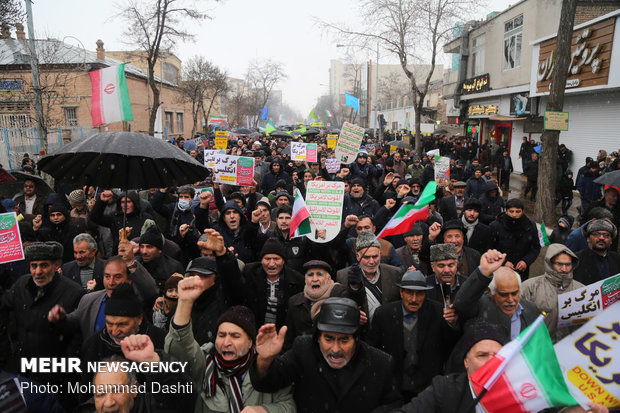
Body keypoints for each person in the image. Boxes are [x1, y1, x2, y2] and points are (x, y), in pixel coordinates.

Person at [250, 297, 402, 412]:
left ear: (356, 338)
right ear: (318, 337)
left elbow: (392, 405)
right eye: (328, 338)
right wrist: (265, 360)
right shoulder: (303, 349)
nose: (335, 349)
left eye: (344, 340)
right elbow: (269, 382)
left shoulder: (381, 363)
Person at [165, 283, 295, 413]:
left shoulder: (266, 367)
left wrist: (262, 410)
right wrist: (185, 303)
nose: (226, 342)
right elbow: (181, 346)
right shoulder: (203, 363)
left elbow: (289, 406)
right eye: (221, 335)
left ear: (250, 342)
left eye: (235, 336)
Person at [367, 270, 460, 399]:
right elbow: (372, 349)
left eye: (419, 293)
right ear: (401, 292)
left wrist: (453, 325)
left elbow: (450, 345)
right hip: (394, 388)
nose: (414, 299)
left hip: (427, 389)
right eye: (409, 292)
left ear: (425, 294)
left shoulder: (438, 312)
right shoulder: (384, 314)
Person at [453, 249, 541, 341]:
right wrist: (483, 272)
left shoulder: (531, 309)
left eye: (514, 293)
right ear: (490, 292)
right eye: (504, 295)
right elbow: (460, 305)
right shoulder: (480, 307)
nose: (511, 300)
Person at [90, 345, 195, 413]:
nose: (109, 403)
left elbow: (184, 397)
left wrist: (156, 364)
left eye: (117, 391)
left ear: (134, 389)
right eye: (100, 394)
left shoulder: (156, 407)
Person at [284, 260, 354, 350]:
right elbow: (289, 340)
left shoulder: (340, 295)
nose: (314, 279)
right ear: (305, 280)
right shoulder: (294, 301)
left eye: (319, 274)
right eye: (310, 275)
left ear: (328, 279)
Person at [521, 244, 584, 342]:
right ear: (550, 263)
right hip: (538, 347)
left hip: (569, 350)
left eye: (568, 264)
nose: (564, 268)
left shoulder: (581, 290)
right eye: (559, 264)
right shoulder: (530, 287)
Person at [336, 230, 403, 320]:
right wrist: (352, 314)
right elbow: (341, 307)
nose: (371, 262)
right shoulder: (343, 276)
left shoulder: (395, 273)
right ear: (357, 256)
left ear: (380, 255)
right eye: (366, 257)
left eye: (375, 256)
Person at [489, 198, 540, 280]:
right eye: (511, 211)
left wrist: (526, 261)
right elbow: (489, 248)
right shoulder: (496, 226)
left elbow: (535, 247)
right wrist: (503, 262)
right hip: (499, 270)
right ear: (506, 211)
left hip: (521, 271)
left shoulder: (530, 226)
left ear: (522, 212)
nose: (514, 215)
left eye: (518, 211)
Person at [136, 225, 184, 293]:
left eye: (149, 247)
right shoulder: (135, 263)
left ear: (159, 250)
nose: (144, 251)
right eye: (141, 247)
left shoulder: (173, 267)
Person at [573, 219, 620, 285]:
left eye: (606, 235)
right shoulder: (576, 260)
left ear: (611, 240)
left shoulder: (617, 259)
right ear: (588, 238)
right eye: (596, 234)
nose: (601, 238)